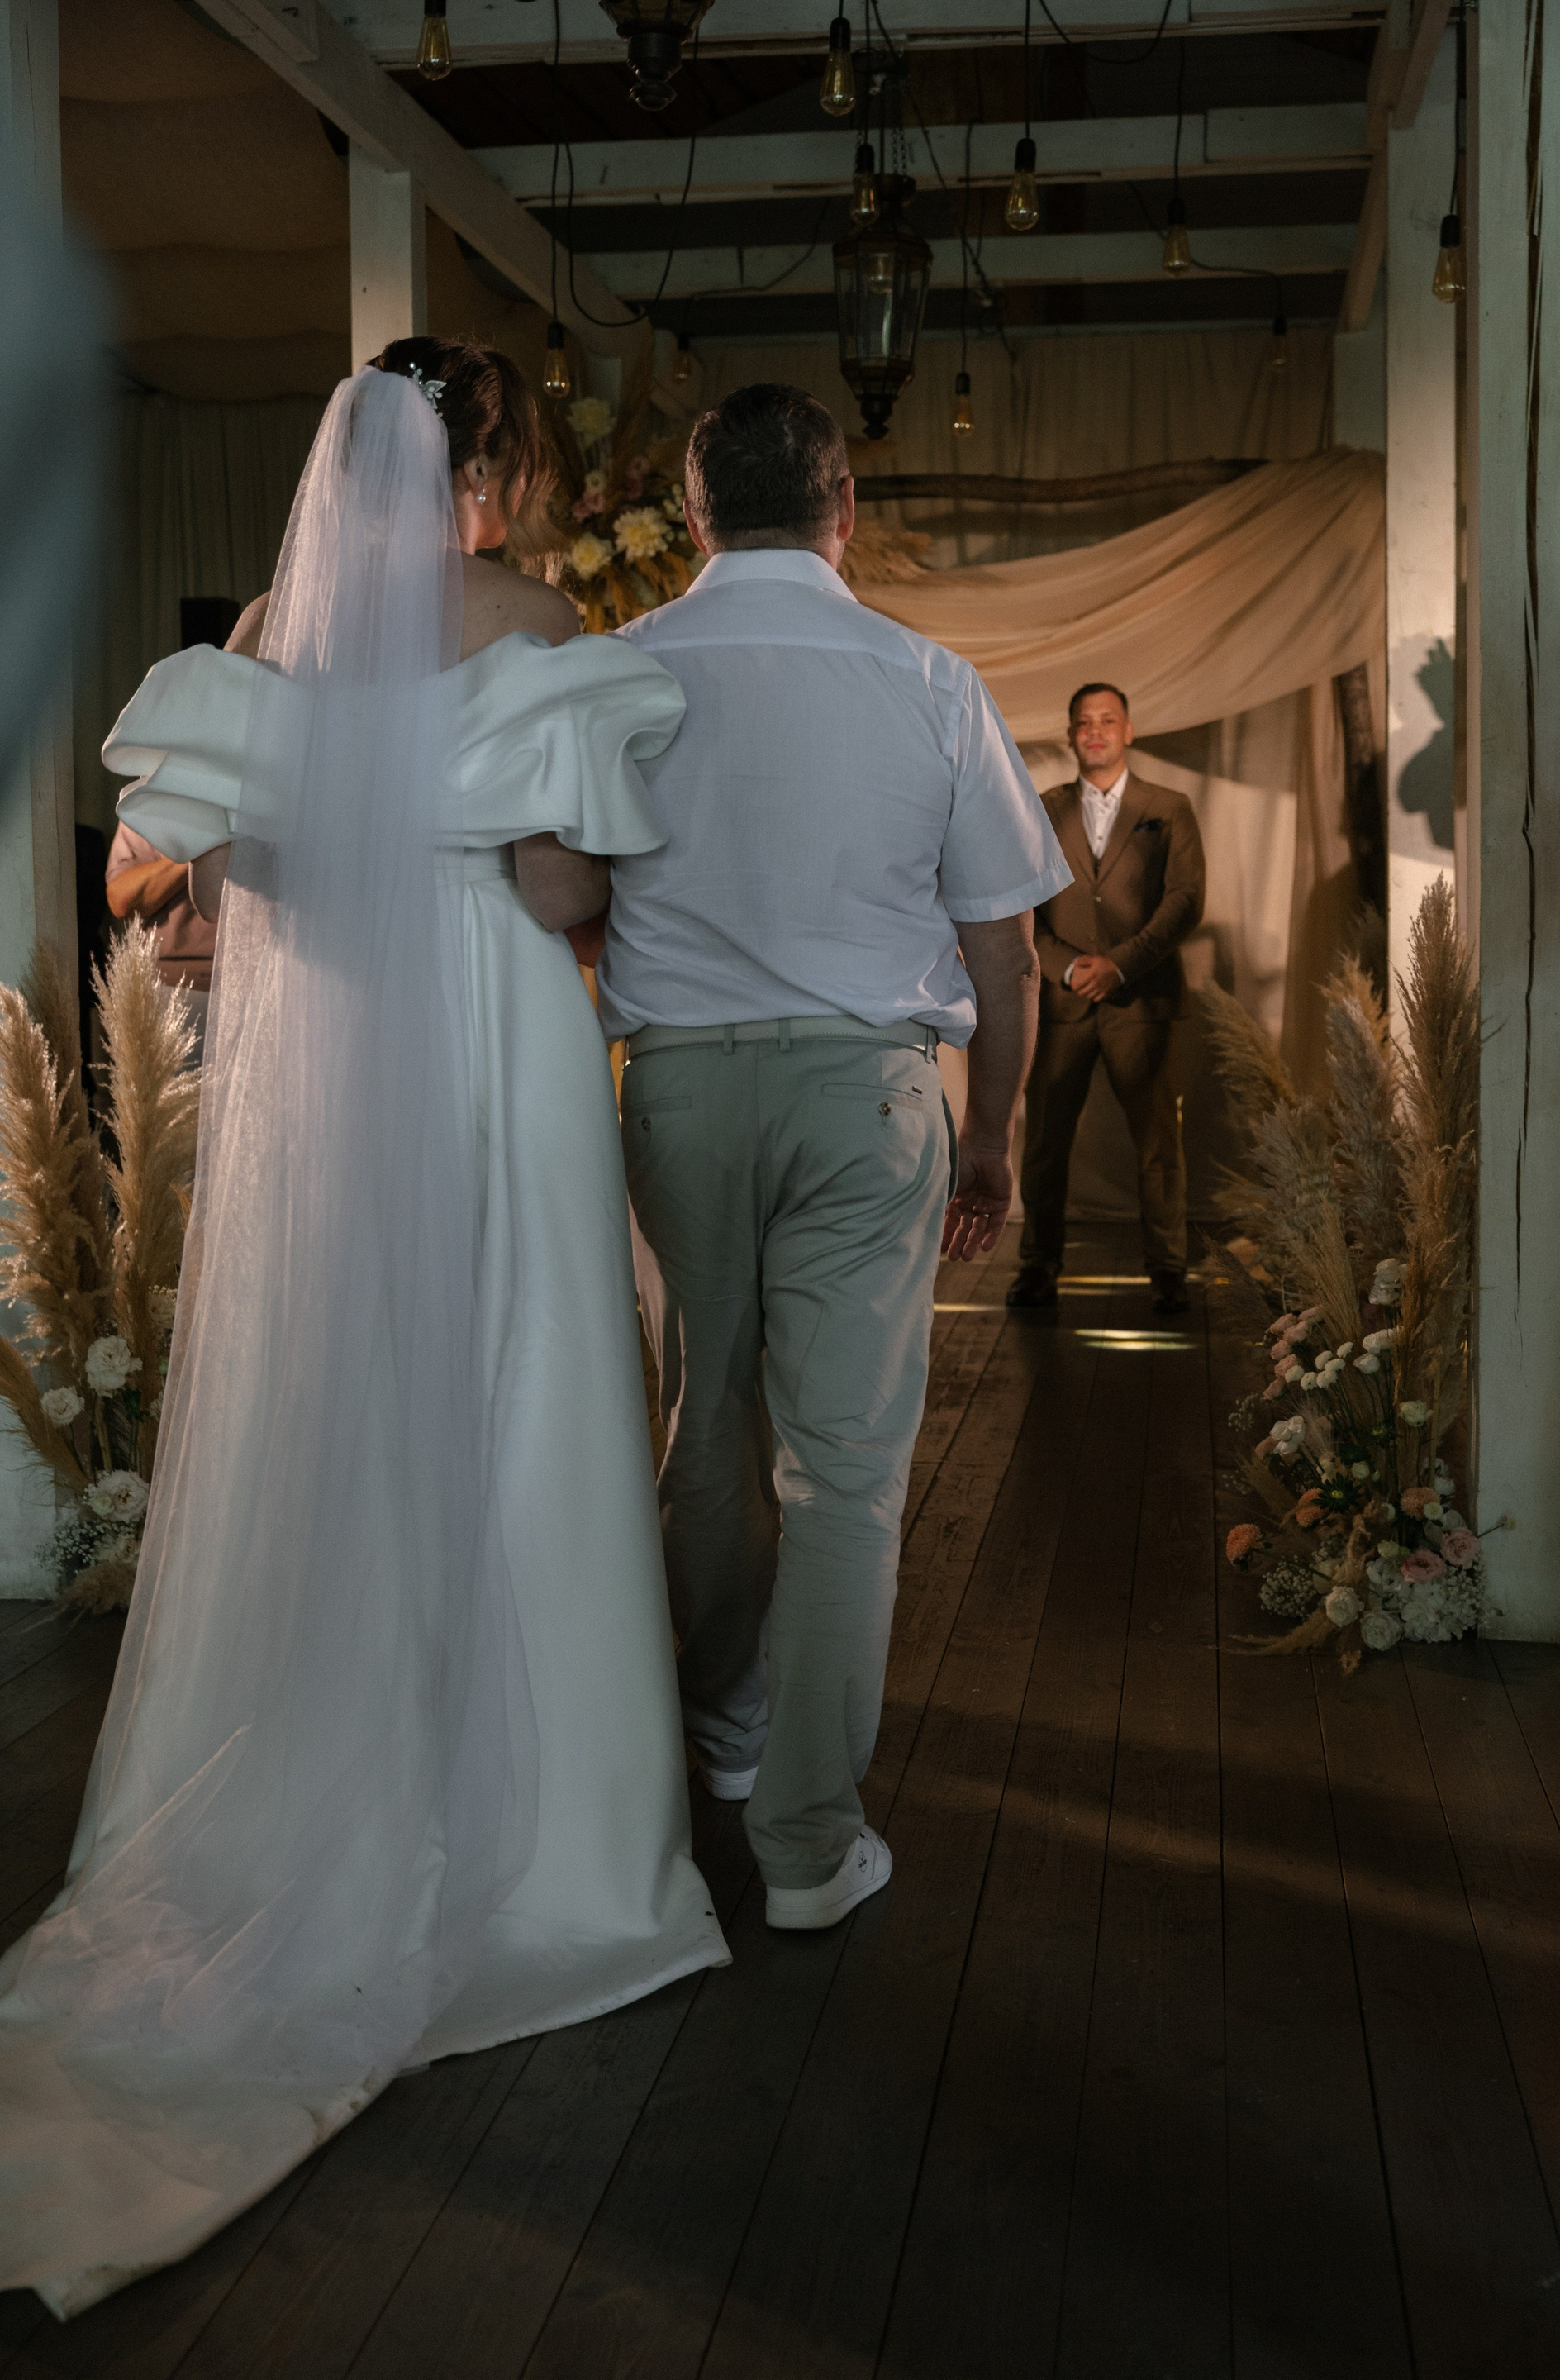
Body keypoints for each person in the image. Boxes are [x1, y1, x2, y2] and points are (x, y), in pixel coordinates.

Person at [0, 339, 728, 2321]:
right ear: (495, 466)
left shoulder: (264, 635)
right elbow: (565, 883)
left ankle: (313, 1772)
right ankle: (550, 1836)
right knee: (527, 1392)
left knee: (335, 1412)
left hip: (328, 1067)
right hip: (493, 1038)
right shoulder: (529, 624)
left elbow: (236, 873)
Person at [600, 383, 1069, 1933]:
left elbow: (561, 892)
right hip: (868, 1097)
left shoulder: (623, 672)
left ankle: (725, 1733)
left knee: (705, 1432)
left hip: (677, 1091)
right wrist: (991, 1138)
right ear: (845, 510)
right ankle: (807, 1845)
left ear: (693, 514)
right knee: (848, 1475)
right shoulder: (930, 681)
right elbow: (1006, 951)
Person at [1006, 681, 1206, 1316]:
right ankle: (1038, 1265)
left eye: (1107, 720)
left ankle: (1168, 1269)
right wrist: (1067, 968)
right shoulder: (1041, 810)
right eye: (1084, 722)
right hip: (1060, 1004)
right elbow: (1022, 906)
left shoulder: (1168, 807)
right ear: (1071, 737)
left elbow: (1185, 901)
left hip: (1143, 1002)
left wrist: (1121, 965)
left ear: (1129, 731)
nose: (1096, 731)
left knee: (1158, 1146)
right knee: (1045, 1143)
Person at [105, 820, 216, 1052]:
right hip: (175, 989)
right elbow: (122, 900)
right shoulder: (148, 807)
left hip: (263, 982)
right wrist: (204, 846)